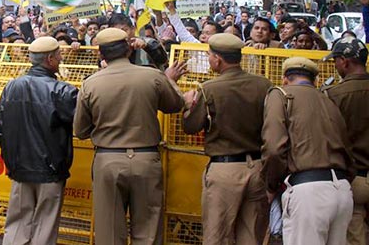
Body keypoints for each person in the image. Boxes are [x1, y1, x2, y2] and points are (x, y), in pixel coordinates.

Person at [73, 28, 186, 244]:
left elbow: (80, 131)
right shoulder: (152, 76)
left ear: (101, 54)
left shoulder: (91, 84)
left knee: (110, 232)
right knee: (148, 230)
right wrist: (169, 80)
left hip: (108, 160)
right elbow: (175, 105)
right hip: (146, 159)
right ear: (128, 50)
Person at [182, 33, 272, 244]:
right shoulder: (263, 85)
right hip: (258, 167)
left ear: (217, 59)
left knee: (218, 234)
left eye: (210, 55)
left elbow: (191, 126)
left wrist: (187, 106)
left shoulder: (209, 89)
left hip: (224, 169)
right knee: (252, 235)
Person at [262, 57, 354, 244]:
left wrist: (271, 185)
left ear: (285, 78)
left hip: (308, 192)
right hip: (342, 190)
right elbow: (346, 145)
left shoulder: (280, 94)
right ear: (315, 80)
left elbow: (273, 148)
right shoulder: (328, 99)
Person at [0, 36, 78, 244]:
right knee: (45, 225)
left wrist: (11, 162)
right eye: (59, 55)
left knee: (16, 225)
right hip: (50, 170)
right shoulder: (62, 91)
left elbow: (1, 130)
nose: (61, 59)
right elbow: (82, 122)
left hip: (19, 168)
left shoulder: (11, 87)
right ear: (50, 59)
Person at [321, 37, 369, 245]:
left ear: (345, 62)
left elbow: (326, 137)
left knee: (354, 229)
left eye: (336, 61)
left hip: (353, 176)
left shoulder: (333, 95)